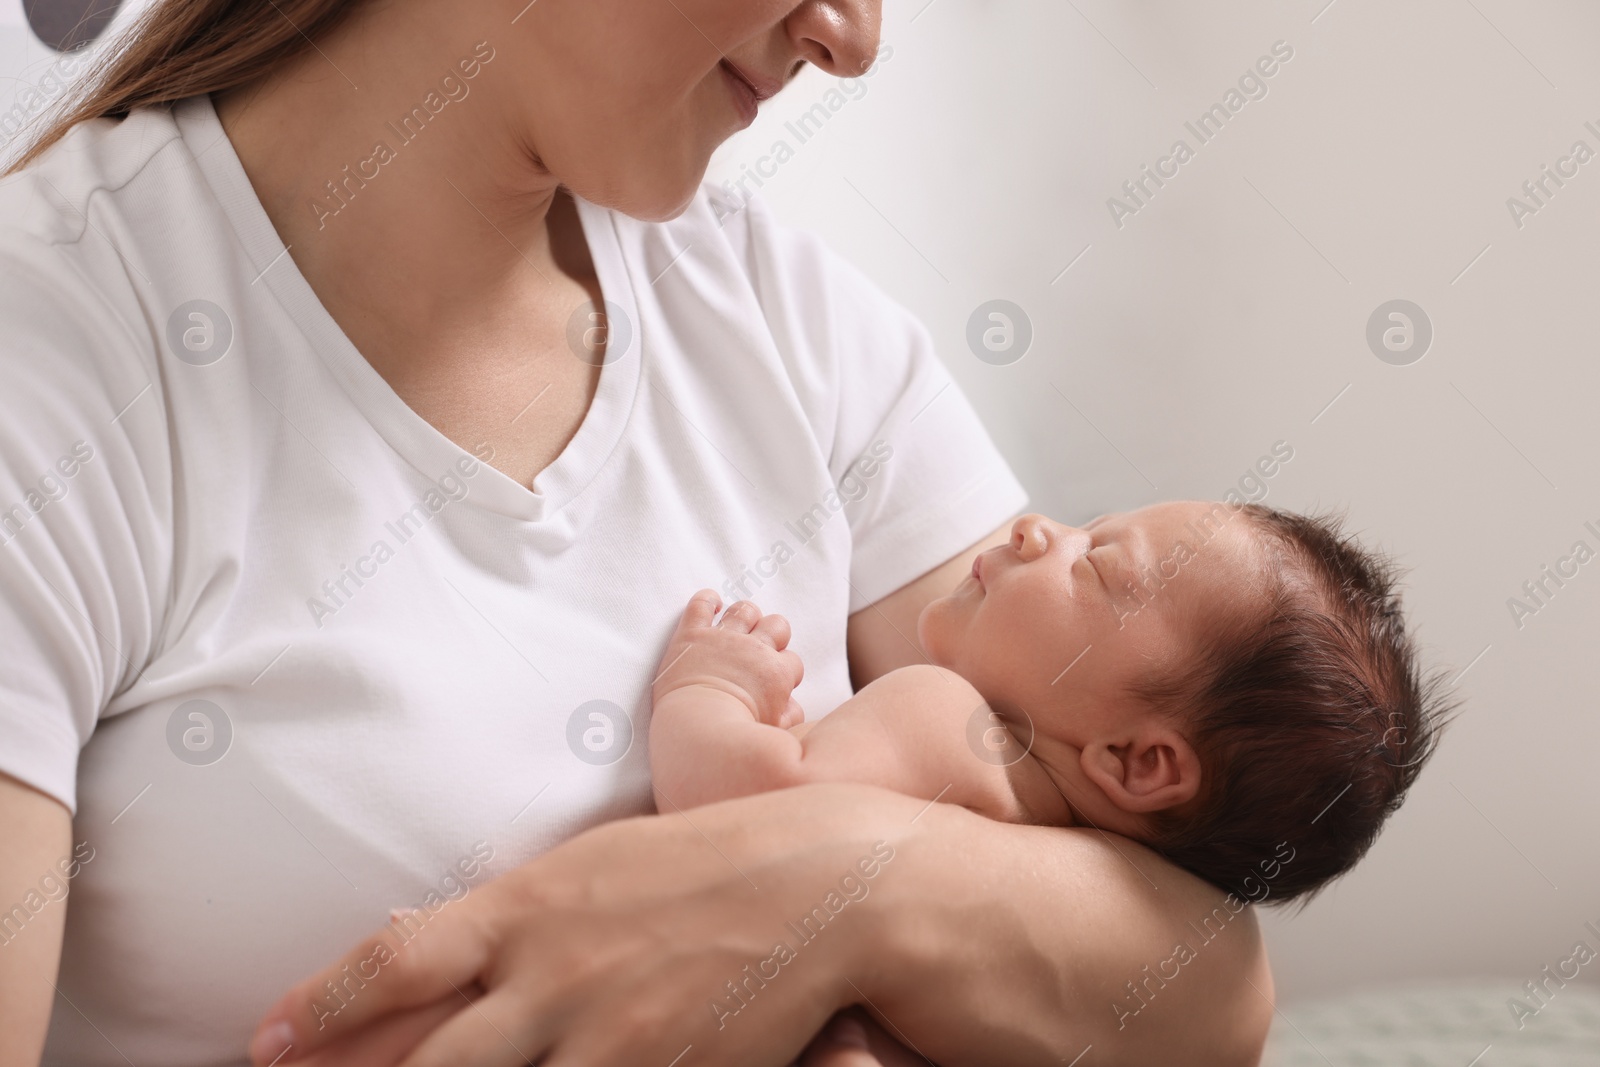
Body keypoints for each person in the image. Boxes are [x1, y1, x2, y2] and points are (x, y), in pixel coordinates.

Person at [0, 1, 1274, 1065]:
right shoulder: (56, 360)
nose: (853, 37)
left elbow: (1210, 983)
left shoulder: (786, 320)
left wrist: (826, 888)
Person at [651, 502, 1451, 909]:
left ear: (1139, 762)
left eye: (1095, 566)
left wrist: (709, 686)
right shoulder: (1055, 847)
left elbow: (742, 815)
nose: (1038, 529)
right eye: (1085, 523)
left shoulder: (944, 720)